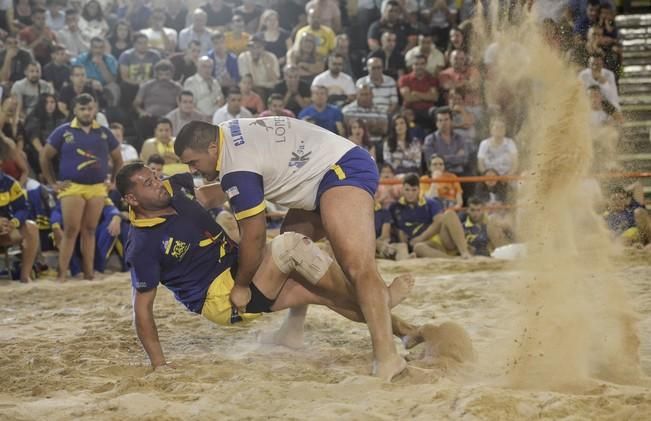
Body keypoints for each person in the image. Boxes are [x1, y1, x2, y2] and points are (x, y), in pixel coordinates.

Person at [118, 162, 418, 370]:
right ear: (131, 198)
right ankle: (385, 299)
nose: (158, 184)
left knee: (324, 292)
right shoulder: (142, 245)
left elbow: (213, 185)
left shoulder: (172, 189)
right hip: (221, 299)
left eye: (155, 176)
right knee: (290, 246)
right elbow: (142, 309)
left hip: (239, 267)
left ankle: (407, 333)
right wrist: (159, 364)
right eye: (148, 183)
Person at [174, 117, 410, 380]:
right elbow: (232, 186)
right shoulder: (227, 133)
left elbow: (254, 236)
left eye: (193, 162)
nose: (193, 170)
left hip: (341, 169)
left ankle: (388, 356)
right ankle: (294, 330)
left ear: (212, 149)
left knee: (358, 269)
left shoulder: (236, 165)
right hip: (321, 171)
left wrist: (241, 285)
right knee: (293, 250)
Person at [40, 94, 123, 281]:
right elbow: (45, 157)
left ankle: (89, 274)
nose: (86, 112)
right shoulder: (64, 131)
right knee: (70, 230)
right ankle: (62, 275)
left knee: (90, 230)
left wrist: (114, 181)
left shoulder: (103, 132)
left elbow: (118, 158)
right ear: (75, 110)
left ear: (95, 109)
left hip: (97, 188)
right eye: (82, 109)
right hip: (72, 187)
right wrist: (53, 182)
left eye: (89, 108)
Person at [390, 173, 470, 258]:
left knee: (449, 214)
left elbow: (439, 221)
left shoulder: (430, 203)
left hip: (442, 239)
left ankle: (465, 252)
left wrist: (421, 237)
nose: (410, 193)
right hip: (423, 245)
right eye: (407, 190)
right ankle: (453, 260)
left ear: (419, 189)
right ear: (402, 189)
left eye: (414, 190)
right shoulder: (394, 207)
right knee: (419, 248)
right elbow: (395, 229)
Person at [0, 162, 39, 283]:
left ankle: (25, 276)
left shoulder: (9, 183)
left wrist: (14, 222)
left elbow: (23, 208)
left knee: (31, 227)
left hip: (4, 230)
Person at [133, 60, 182, 151]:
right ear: (156, 74)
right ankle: (145, 150)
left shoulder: (177, 87)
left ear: (172, 74)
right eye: (161, 74)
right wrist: (142, 112)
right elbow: (136, 104)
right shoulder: (147, 86)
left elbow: (181, 104)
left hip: (170, 117)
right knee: (142, 122)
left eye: (167, 74)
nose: (164, 77)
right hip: (150, 117)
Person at [24, 93, 66, 176]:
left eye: (52, 102)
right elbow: (34, 138)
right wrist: (44, 153)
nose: (50, 105)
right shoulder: (34, 118)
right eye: (46, 103)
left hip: (56, 151)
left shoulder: (60, 117)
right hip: (39, 151)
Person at [72, 37, 120, 107]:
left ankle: (110, 111)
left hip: (105, 87)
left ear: (104, 48)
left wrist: (102, 65)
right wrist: (91, 81)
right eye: (95, 47)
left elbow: (112, 80)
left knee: (114, 87)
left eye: (101, 47)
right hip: (86, 85)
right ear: (91, 48)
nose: (98, 50)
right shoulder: (81, 59)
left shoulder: (110, 59)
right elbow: (75, 77)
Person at [422, 107, 469, 176]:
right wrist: (455, 157)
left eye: (446, 120)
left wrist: (441, 158)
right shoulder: (430, 139)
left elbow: (464, 159)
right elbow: (430, 162)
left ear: (451, 121)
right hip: (439, 174)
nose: (443, 123)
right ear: (436, 123)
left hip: (458, 174)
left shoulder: (459, 138)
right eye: (440, 120)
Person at [399, 54, 439, 127]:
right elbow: (408, 98)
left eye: (422, 64)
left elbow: (434, 97)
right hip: (410, 109)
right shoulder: (404, 79)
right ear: (412, 65)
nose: (419, 67)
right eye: (416, 64)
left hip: (428, 109)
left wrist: (416, 93)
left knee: (438, 113)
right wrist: (427, 95)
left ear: (426, 65)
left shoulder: (431, 79)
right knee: (406, 114)